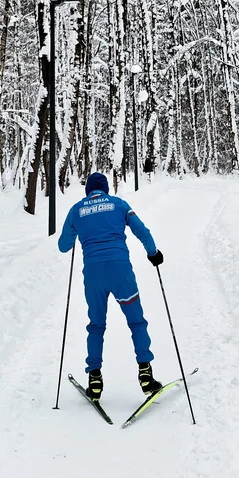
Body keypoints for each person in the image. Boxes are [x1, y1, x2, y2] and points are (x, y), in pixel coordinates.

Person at [57, 172, 165, 402]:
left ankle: (94, 380)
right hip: (121, 272)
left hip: (93, 275)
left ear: (88, 190)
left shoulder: (76, 210)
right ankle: (146, 375)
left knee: (96, 325)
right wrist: (153, 253)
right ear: (105, 189)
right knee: (136, 321)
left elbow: (63, 246)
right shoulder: (119, 204)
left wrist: (78, 231)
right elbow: (142, 231)